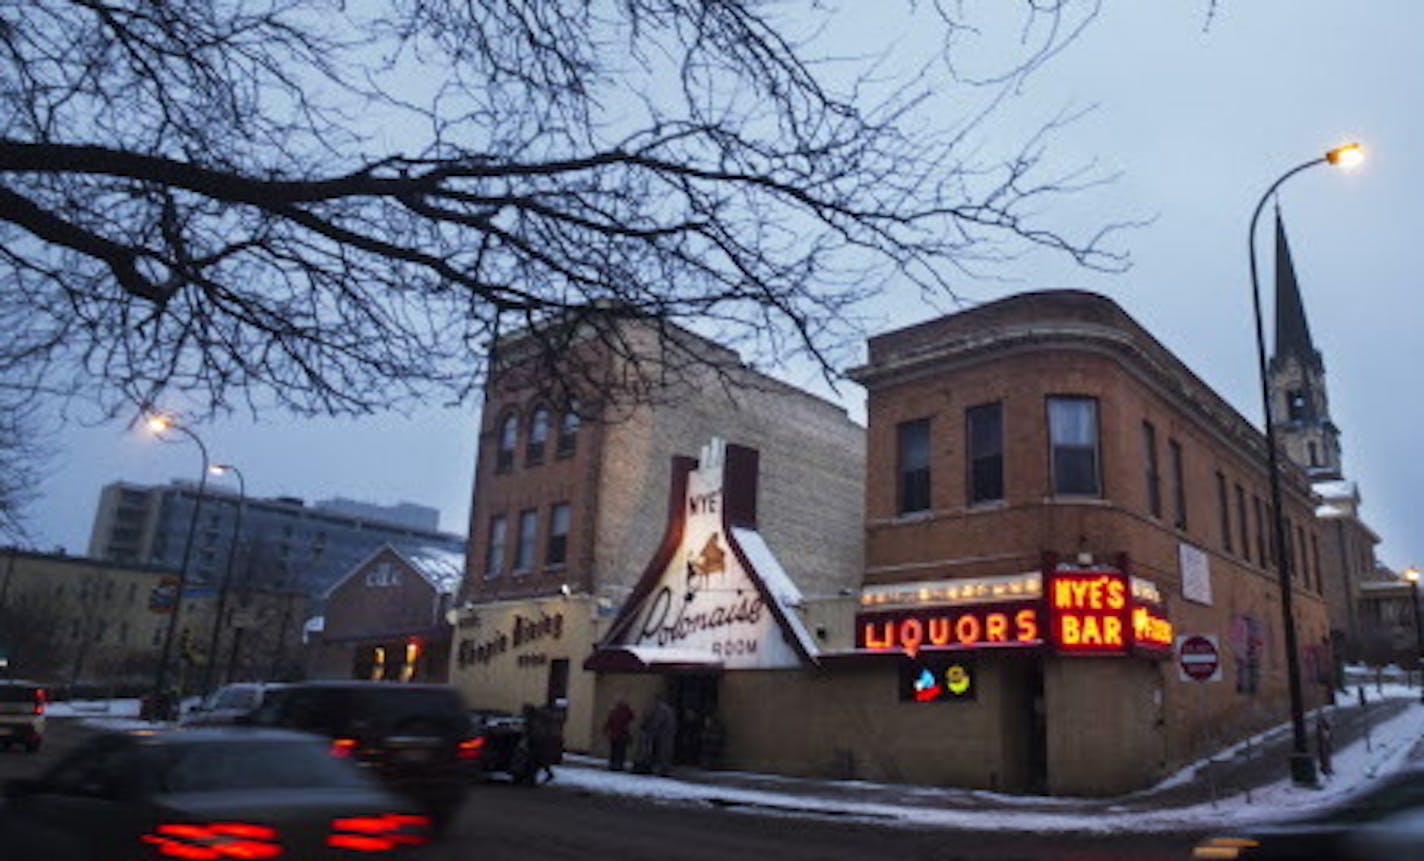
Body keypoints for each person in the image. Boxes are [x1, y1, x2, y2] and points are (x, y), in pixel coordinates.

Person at [604, 700, 635, 771]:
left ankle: (613, 764)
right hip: (622, 736)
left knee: (614, 751)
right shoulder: (625, 713)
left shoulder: (613, 713)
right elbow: (632, 717)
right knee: (621, 752)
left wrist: (606, 731)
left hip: (614, 735)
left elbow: (609, 722)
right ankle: (619, 765)